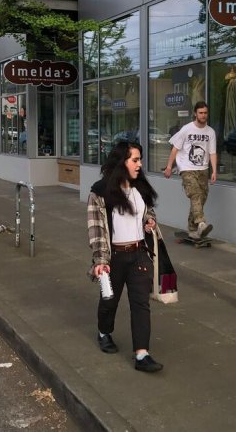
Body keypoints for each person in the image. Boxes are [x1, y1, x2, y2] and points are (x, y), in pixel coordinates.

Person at [87, 141, 163, 373]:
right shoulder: (100, 192)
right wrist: (100, 261)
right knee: (110, 300)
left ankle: (142, 354)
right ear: (122, 162)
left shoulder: (140, 187)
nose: (140, 165)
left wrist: (149, 221)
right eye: (135, 160)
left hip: (139, 254)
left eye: (140, 159)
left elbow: (147, 210)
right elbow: (97, 229)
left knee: (140, 304)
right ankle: (104, 332)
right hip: (114, 258)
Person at [163, 101, 217, 239]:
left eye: (205, 113)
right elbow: (175, 148)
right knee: (194, 194)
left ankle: (193, 228)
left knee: (201, 198)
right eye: (200, 113)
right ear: (195, 113)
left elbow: (212, 153)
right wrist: (169, 166)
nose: (203, 115)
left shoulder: (210, 132)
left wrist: (214, 171)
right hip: (187, 168)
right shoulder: (187, 129)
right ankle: (201, 223)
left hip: (203, 169)